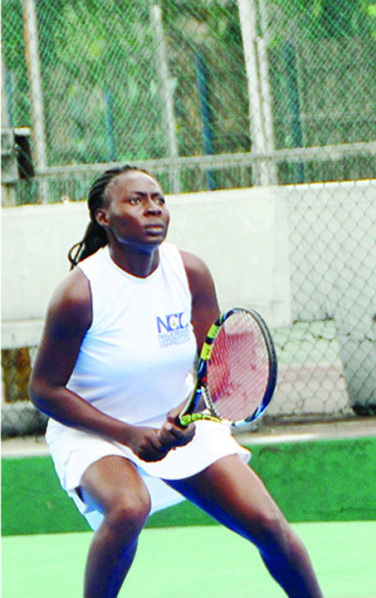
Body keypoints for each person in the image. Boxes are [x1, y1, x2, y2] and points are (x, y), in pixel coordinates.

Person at [29, 165, 323, 598]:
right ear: (103, 217)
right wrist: (129, 434)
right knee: (129, 508)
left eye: (158, 200)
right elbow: (44, 391)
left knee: (268, 524)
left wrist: (194, 410)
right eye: (135, 201)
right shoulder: (79, 293)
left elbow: (217, 365)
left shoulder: (189, 271)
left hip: (176, 419)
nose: (153, 209)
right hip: (95, 430)